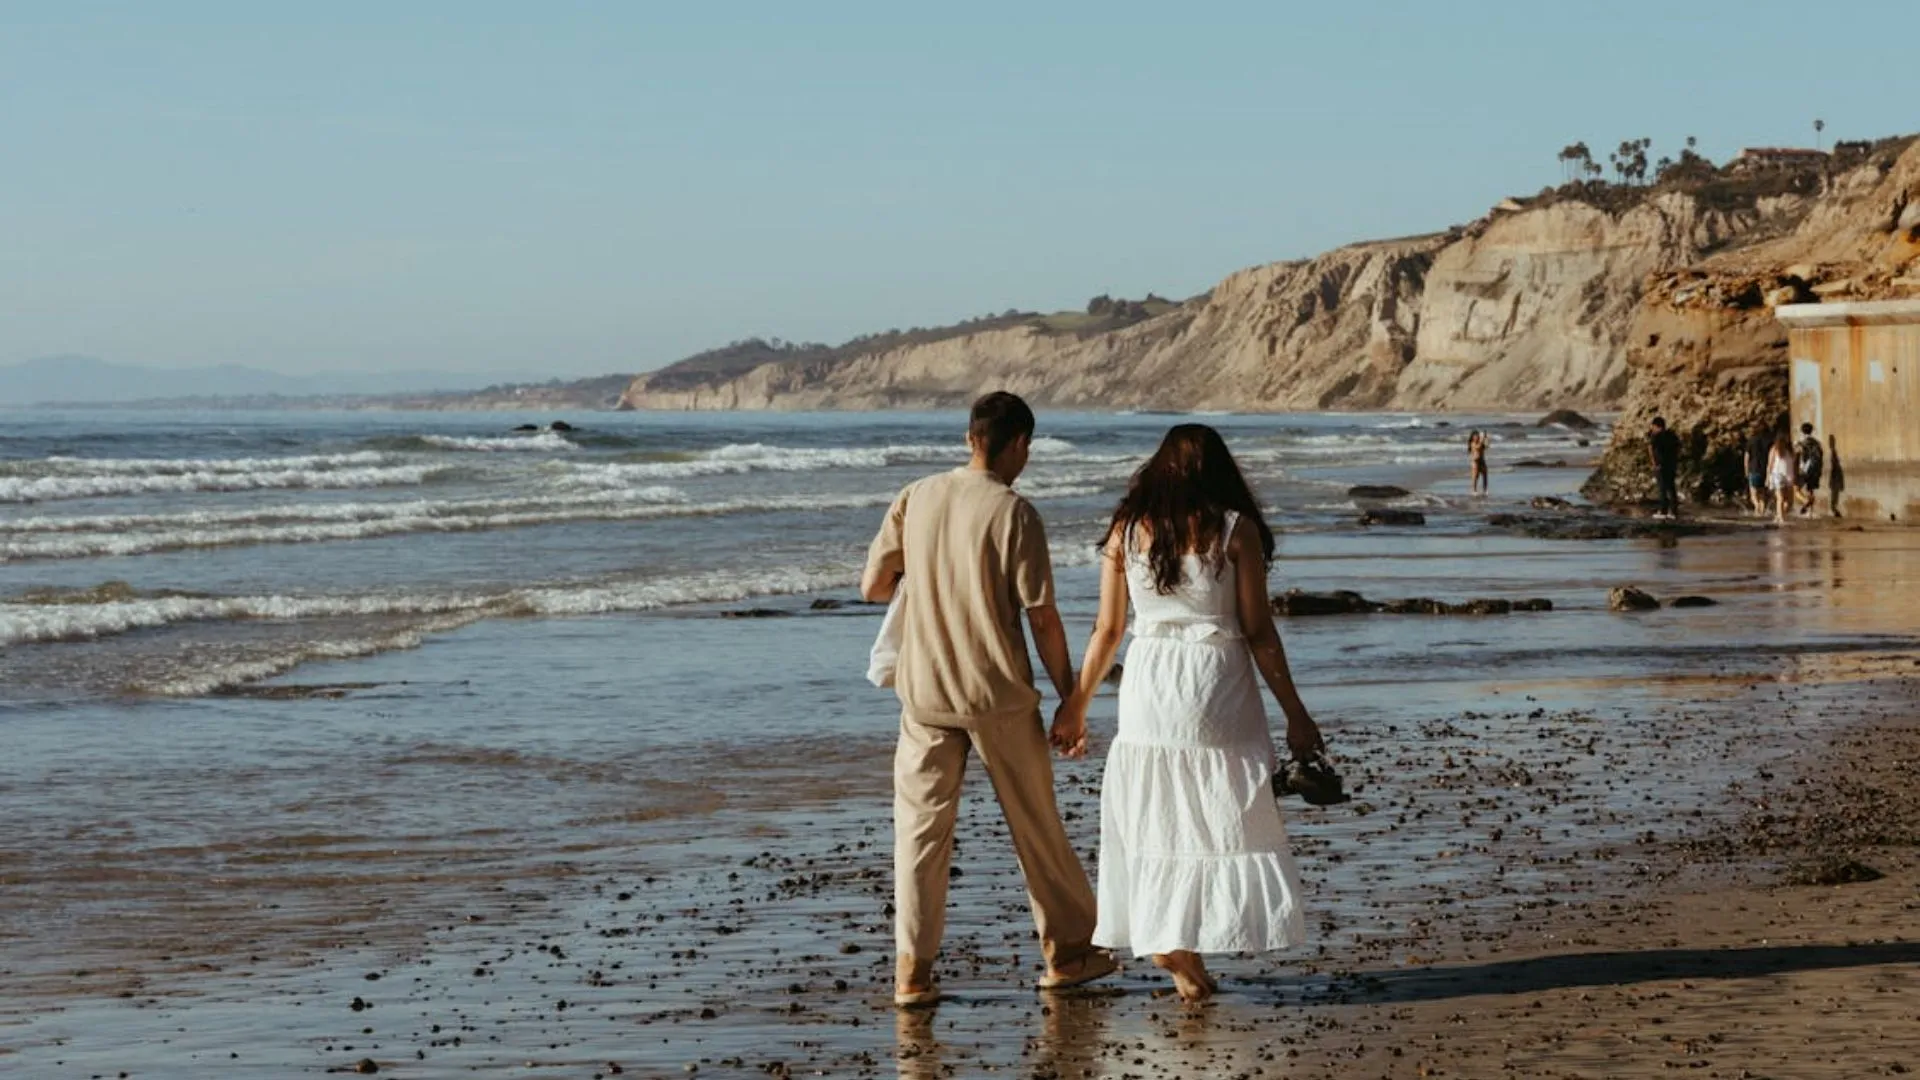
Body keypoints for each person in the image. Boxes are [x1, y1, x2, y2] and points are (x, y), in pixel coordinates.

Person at [860, 391, 1117, 1007]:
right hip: (997, 695)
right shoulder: (1014, 512)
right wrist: (1070, 699)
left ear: (971, 436)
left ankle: (912, 976)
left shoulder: (916, 496)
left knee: (920, 838)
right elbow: (1043, 618)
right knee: (1036, 828)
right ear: (1019, 444)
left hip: (924, 694)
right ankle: (1068, 955)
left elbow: (873, 586)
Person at [1054, 424, 1322, 1002]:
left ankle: (1169, 936)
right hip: (1214, 680)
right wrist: (1296, 715)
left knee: (1156, 812)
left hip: (1150, 680)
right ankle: (1185, 945)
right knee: (1219, 811)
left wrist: (1076, 705)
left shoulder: (1126, 531)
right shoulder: (1233, 530)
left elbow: (1107, 630)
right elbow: (1258, 631)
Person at [1646, 417, 1682, 520]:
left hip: (1660, 465)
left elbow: (1651, 450)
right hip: (1671, 464)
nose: (1652, 428)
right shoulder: (1671, 435)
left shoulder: (1655, 436)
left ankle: (1663, 511)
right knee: (1671, 488)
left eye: (1653, 426)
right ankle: (1674, 511)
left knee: (1662, 488)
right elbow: (1678, 446)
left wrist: (1654, 464)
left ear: (1656, 426)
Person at [1766, 429, 1797, 525]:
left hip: (1788, 476)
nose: (1787, 440)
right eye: (1785, 438)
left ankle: (1778, 515)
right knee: (1781, 498)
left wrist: (1795, 475)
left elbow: (1793, 464)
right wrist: (1767, 477)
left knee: (1789, 502)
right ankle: (1781, 518)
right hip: (1777, 475)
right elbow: (1770, 464)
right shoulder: (1774, 449)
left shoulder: (1790, 450)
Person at [1795, 423, 1825, 517]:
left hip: (1805, 469)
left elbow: (1800, 455)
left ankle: (1805, 501)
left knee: (1796, 489)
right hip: (1816, 469)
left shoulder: (1802, 443)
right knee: (1810, 490)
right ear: (1811, 430)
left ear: (1802, 431)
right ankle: (1810, 512)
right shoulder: (1817, 443)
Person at [1744, 425, 1773, 517]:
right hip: (1764, 470)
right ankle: (1762, 511)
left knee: (1753, 493)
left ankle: (1757, 507)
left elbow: (1747, 457)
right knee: (1762, 493)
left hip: (1753, 469)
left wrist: (1746, 470)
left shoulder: (1751, 441)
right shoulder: (1769, 442)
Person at [1467, 430, 1489, 495]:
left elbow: (1487, 446)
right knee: (1475, 477)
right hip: (1475, 462)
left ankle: (1485, 490)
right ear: (1473, 437)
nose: (1477, 437)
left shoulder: (1481, 442)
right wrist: (1482, 440)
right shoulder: (1472, 443)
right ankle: (1474, 490)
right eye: (1475, 436)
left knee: (1485, 476)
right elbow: (1477, 448)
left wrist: (1486, 438)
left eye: (1478, 436)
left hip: (1482, 461)